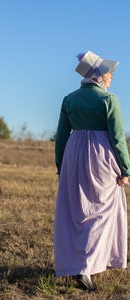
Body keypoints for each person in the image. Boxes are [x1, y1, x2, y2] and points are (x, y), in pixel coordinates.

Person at [54, 50, 130, 291]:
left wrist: (61, 166)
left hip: (73, 155)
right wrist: (126, 169)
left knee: (76, 210)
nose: (112, 77)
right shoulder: (109, 100)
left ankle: (77, 263)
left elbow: (61, 137)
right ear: (98, 75)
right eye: (109, 73)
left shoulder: (69, 99)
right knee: (101, 209)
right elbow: (118, 138)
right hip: (101, 157)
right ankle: (87, 266)